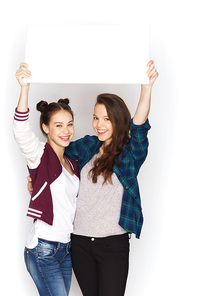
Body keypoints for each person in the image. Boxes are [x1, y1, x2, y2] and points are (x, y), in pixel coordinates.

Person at [27, 60, 159, 296]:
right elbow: (54, 154)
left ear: (118, 121)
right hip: (79, 243)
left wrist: (146, 89)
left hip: (114, 244)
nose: (99, 124)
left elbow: (139, 126)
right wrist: (37, 182)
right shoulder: (86, 147)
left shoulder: (130, 154)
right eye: (96, 118)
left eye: (106, 119)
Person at [13, 63, 80, 296]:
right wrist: (24, 88)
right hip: (43, 248)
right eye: (58, 125)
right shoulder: (40, 155)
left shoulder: (72, 164)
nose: (66, 131)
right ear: (46, 128)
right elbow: (21, 131)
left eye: (69, 124)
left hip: (65, 249)